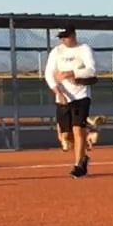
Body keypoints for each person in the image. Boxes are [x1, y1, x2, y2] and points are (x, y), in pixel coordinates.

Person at [44, 27, 97, 177]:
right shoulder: (56, 51)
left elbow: (92, 70)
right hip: (63, 98)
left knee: (77, 129)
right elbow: (49, 74)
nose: (63, 40)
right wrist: (58, 93)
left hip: (81, 96)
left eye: (66, 36)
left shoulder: (84, 49)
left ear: (73, 35)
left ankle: (78, 165)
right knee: (66, 136)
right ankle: (84, 152)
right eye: (61, 37)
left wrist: (71, 73)